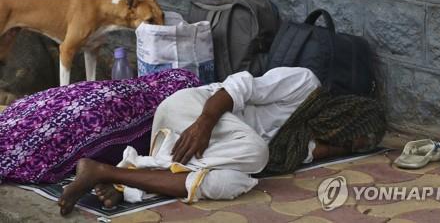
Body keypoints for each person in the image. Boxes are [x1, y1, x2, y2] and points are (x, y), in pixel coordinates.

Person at [57, 67, 361, 215]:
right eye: (341, 130)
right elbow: (240, 84)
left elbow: (307, 152)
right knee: (257, 155)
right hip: (192, 113)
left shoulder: (303, 135)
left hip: (203, 146)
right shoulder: (305, 83)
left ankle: (113, 175)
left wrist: (345, 148)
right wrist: (204, 124)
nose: (335, 138)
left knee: (234, 182)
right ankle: (130, 178)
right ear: (336, 110)